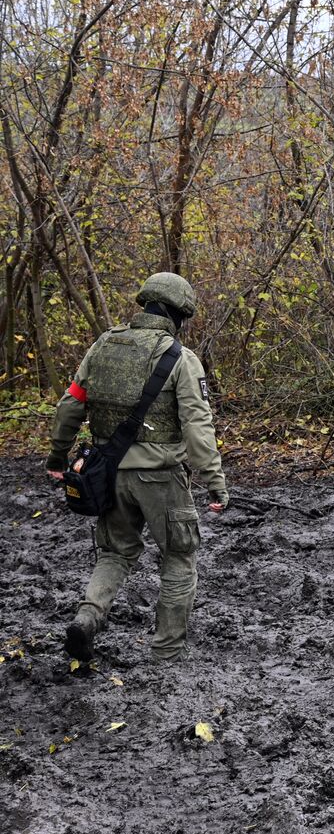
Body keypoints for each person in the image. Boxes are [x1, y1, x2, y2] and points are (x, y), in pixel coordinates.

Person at [45, 272, 229, 662]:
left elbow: (70, 406)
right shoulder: (181, 359)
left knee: (114, 553)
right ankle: (166, 651)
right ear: (178, 314)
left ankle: (88, 618)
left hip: (108, 474)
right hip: (161, 478)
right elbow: (198, 426)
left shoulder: (102, 346)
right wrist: (215, 481)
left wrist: (58, 458)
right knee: (179, 557)